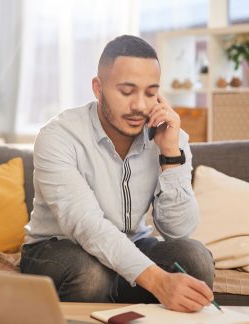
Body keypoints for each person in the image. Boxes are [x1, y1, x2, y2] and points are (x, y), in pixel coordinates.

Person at [20, 35, 215, 313]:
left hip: (131, 245)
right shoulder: (59, 136)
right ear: (98, 88)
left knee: (195, 259)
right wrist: (159, 282)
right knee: (91, 276)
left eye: (150, 93)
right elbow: (86, 225)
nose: (140, 106)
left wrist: (170, 156)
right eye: (126, 91)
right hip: (58, 250)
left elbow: (179, 231)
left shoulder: (171, 138)